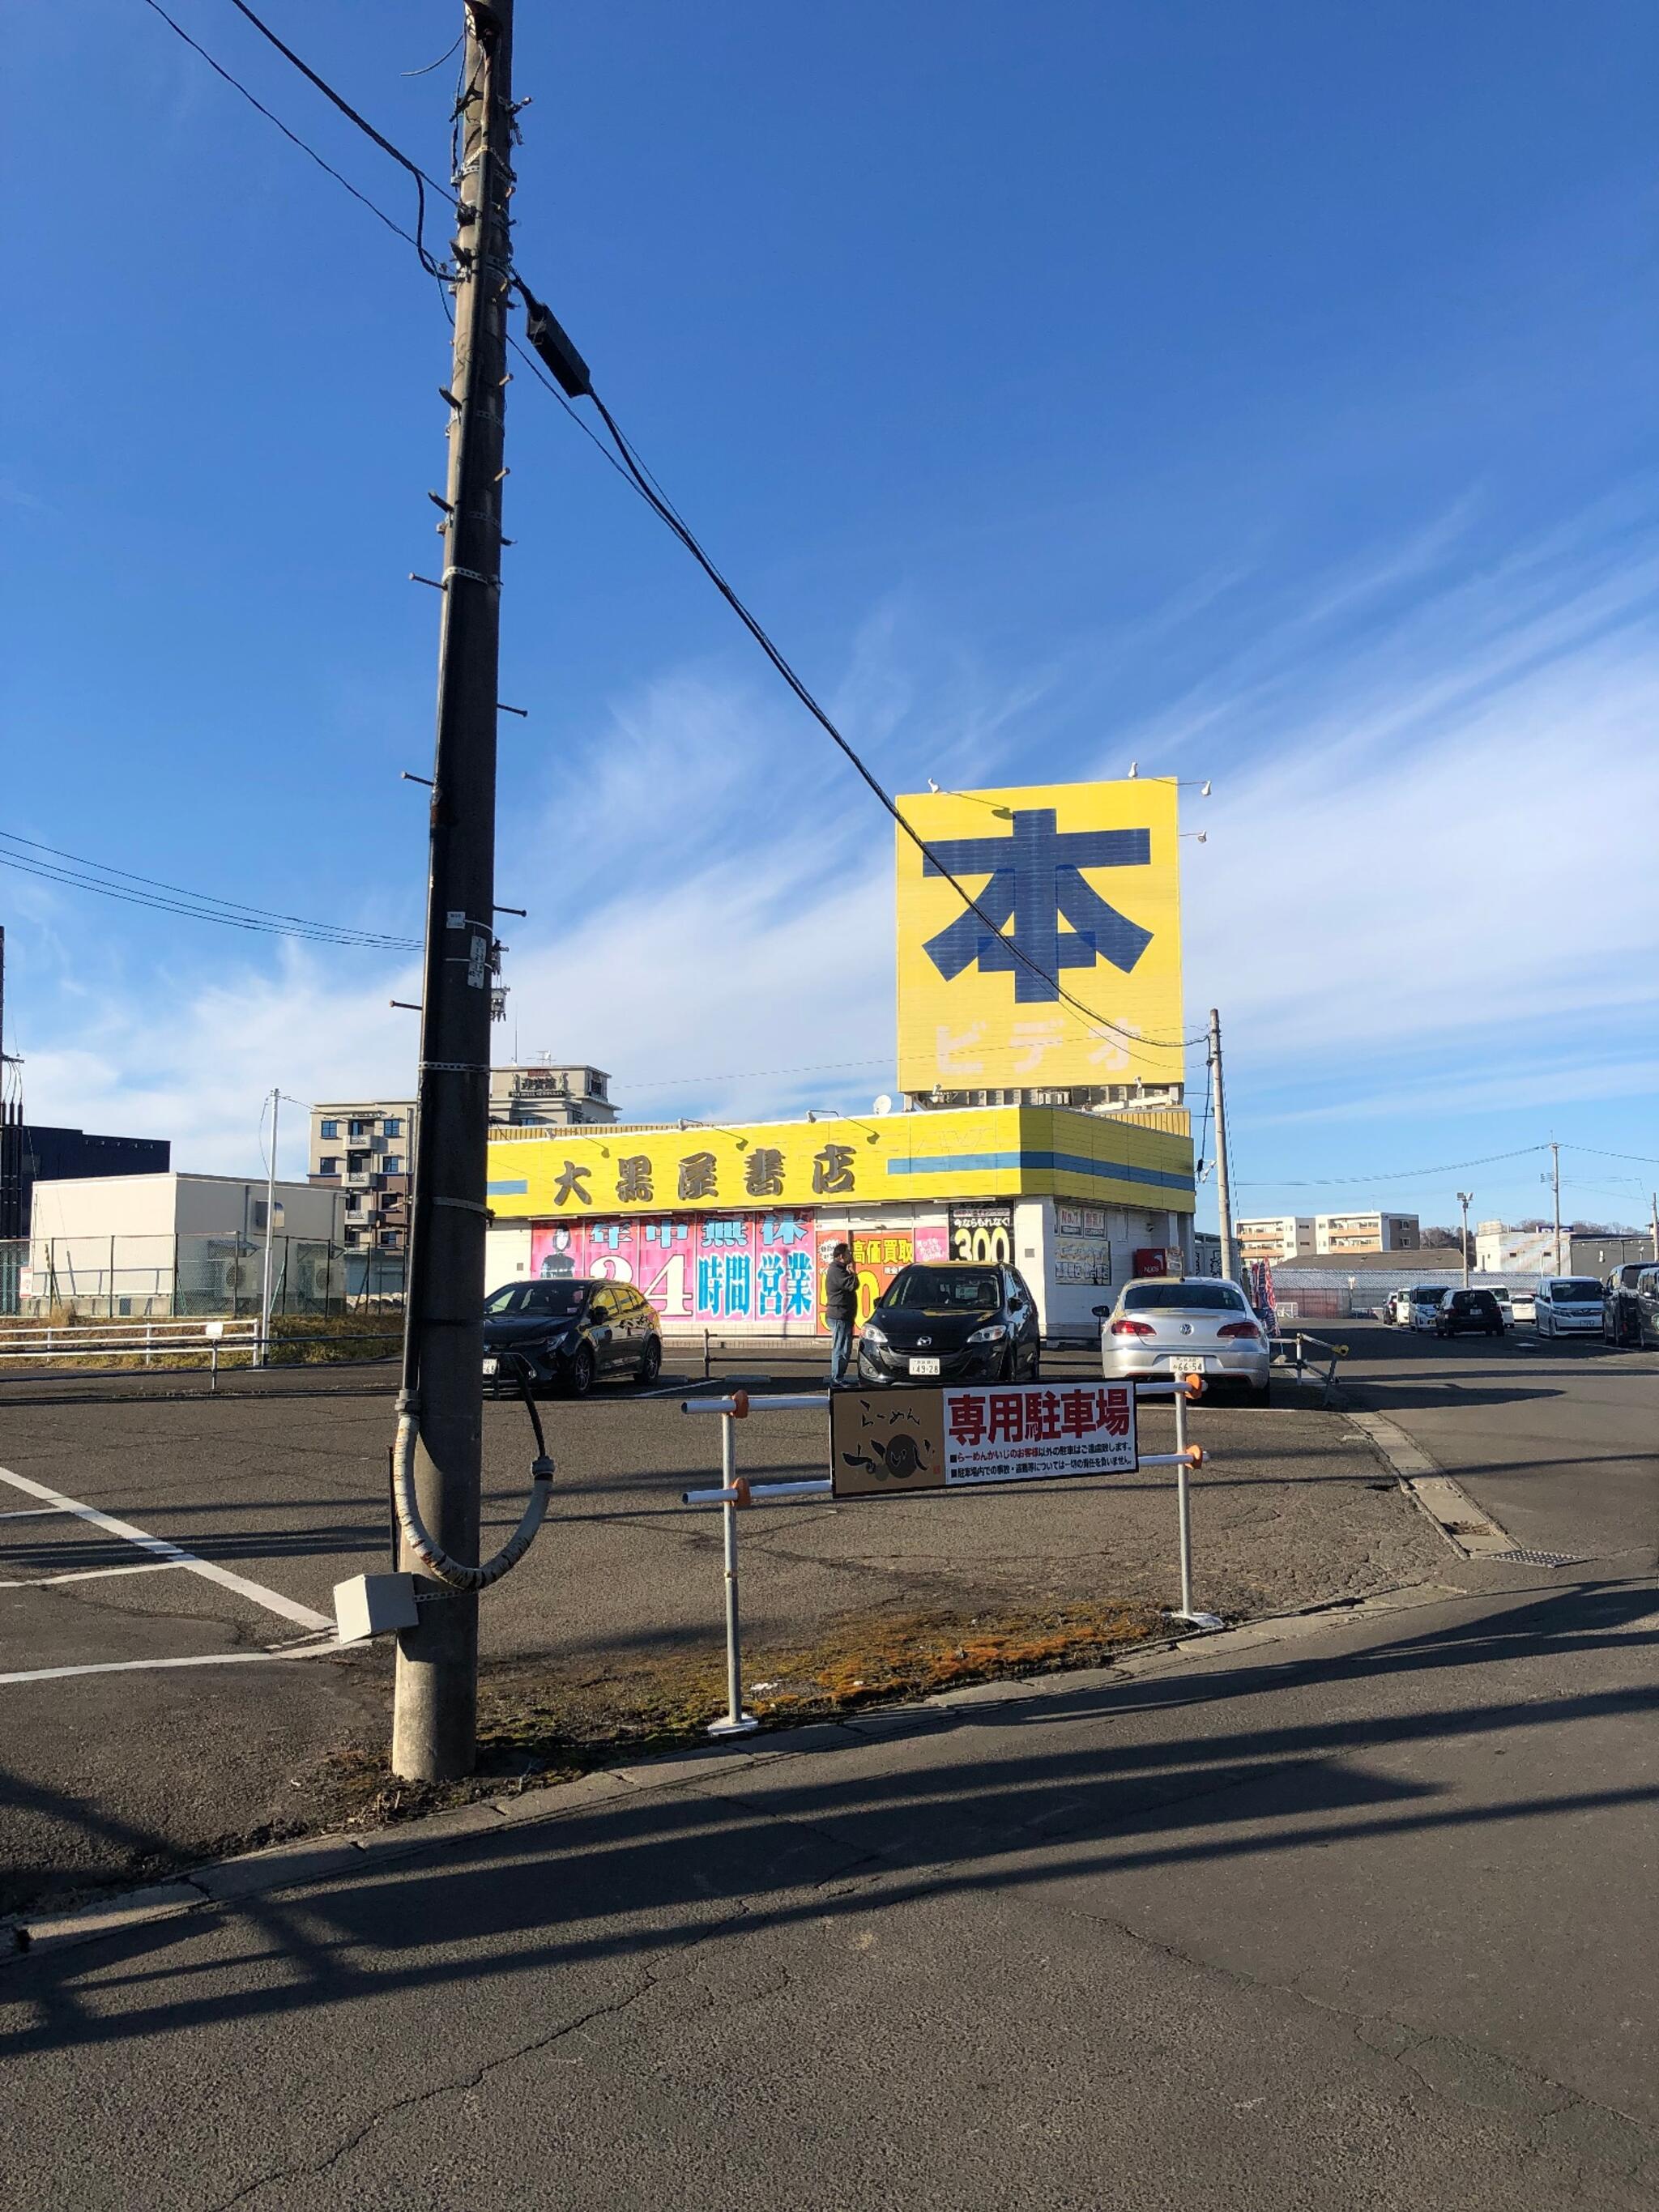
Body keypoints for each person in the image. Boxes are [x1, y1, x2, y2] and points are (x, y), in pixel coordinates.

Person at [824, 1242, 859, 1384]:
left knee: (845, 1348)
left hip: (844, 1315)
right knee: (840, 1348)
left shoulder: (840, 1269)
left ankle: (839, 1377)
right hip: (839, 1315)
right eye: (848, 1253)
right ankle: (836, 1378)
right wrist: (853, 1273)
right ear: (841, 1256)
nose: (851, 1255)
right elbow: (853, 1285)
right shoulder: (837, 1271)